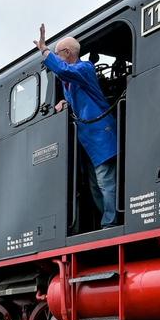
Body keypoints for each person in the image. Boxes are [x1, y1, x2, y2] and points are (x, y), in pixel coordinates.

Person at [35, 25, 120, 229]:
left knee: (105, 182)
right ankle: (107, 221)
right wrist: (66, 103)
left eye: (57, 53)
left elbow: (64, 70)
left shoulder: (85, 68)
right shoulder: (72, 80)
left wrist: (45, 50)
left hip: (100, 134)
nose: (56, 57)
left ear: (67, 53)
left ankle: (111, 223)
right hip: (88, 139)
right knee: (94, 185)